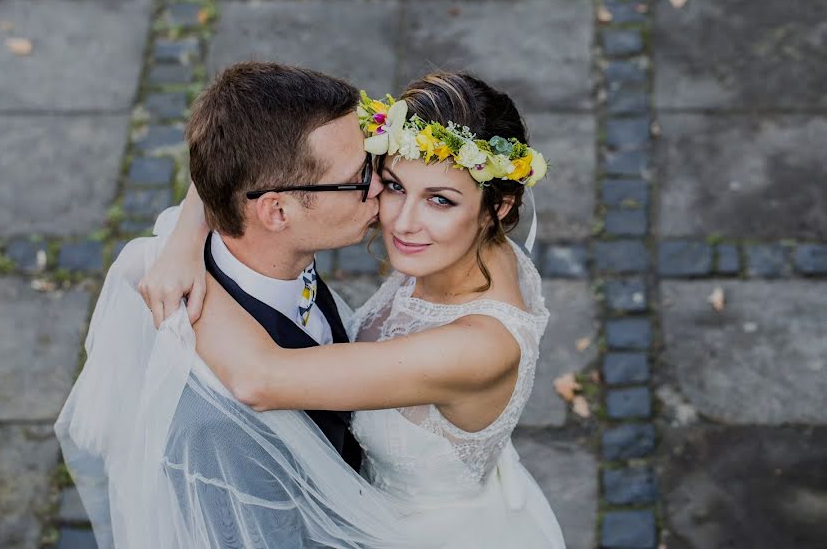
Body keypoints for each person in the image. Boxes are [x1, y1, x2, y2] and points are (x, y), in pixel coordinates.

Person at [142, 69, 564, 548]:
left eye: (440, 201)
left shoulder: (479, 347)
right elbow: (252, 152)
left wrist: (168, 264)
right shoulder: (461, 247)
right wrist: (185, 236)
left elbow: (257, 379)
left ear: (500, 206)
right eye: (393, 184)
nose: (402, 222)